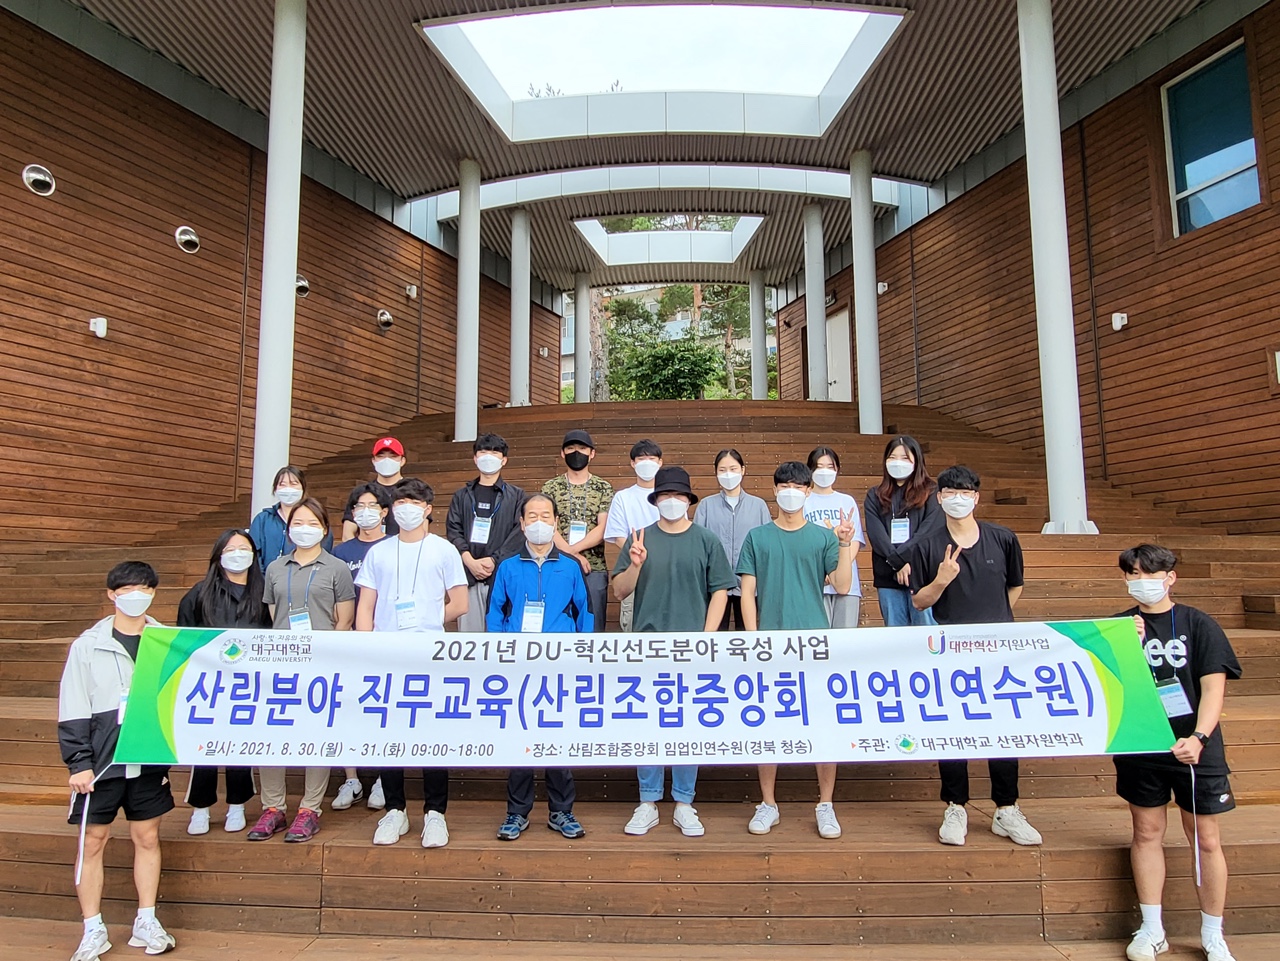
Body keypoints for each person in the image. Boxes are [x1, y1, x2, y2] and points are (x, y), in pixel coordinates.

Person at [1113, 544, 1241, 961]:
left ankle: (1213, 934)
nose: (1142, 581)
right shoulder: (1118, 627)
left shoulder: (1198, 624)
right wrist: (1127, 647)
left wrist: (1199, 737)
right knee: (1146, 832)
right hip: (1142, 746)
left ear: (1170, 578)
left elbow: (1213, 688)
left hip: (1194, 748)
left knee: (1205, 838)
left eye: (1150, 573)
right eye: (1133, 573)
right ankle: (1152, 929)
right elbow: (1111, 687)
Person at [907, 465, 1042, 848]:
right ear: (939, 498)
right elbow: (919, 601)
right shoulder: (927, 545)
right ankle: (955, 806)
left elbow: (1014, 586)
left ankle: (1007, 808)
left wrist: (994, 622)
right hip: (951, 650)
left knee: (1004, 727)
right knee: (953, 728)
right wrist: (942, 580)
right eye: (950, 493)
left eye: (965, 493)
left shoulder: (1003, 539)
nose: (958, 499)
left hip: (1000, 650)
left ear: (976, 498)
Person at [60, 560, 177, 960]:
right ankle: (93, 927)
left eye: (144, 589)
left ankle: (146, 919)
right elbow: (73, 704)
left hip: (147, 758)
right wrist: (79, 762)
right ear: (112, 595)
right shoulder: (87, 646)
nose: (135, 596)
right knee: (93, 840)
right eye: (126, 590)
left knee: (147, 837)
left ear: (154, 593)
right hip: (100, 762)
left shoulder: (166, 641)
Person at [613, 467, 736, 838]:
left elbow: (720, 590)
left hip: (691, 648)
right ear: (656, 501)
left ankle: (684, 802)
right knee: (648, 723)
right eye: (665, 496)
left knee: (688, 723)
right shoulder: (640, 538)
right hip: (647, 646)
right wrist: (635, 565)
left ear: (688, 501)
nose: (672, 502)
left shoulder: (706, 540)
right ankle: (647, 801)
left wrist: (707, 637)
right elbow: (619, 590)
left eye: (678, 496)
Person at [737, 461, 857, 840]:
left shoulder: (822, 538)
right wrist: (754, 638)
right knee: (767, 724)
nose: (790, 491)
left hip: (814, 644)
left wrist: (843, 544)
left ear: (807, 492)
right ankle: (767, 803)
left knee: (823, 724)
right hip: (770, 644)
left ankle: (826, 804)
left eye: (797, 486)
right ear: (775, 490)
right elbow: (748, 593)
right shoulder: (757, 537)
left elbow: (841, 585)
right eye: (784, 485)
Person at [356, 478, 468, 848]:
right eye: (401, 502)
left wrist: (428, 623)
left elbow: (460, 603)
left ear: (428, 509)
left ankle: (435, 813)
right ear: (392, 509)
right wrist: (368, 646)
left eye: (415, 503)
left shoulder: (444, 550)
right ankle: (395, 810)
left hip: (429, 654)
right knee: (390, 733)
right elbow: (366, 607)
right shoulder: (379, 553)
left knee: (432, 734)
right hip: (387, 655)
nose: (407, 509)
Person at [487, 493, 592, 841]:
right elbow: (495, 613)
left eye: (546, 516)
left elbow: (585, 612)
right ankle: (517, 812)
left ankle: (562, 811)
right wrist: (500, 652)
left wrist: (581, 654)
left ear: (556, 522)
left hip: (560, 663)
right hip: (519, 664)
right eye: (531, 516)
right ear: (521, 524)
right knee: (521, 739)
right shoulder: (507, 567)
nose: (538, 522)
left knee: (557, 738)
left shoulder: (570, 566)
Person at [251, 498, 356, 843]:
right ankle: (273, 806)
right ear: (288, 528)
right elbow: (274, 614)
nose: (304, 529)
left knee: (316, 733)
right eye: (298, 523)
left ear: (324, 530)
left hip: (323, 662)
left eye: (312, 523)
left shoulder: (336, 568)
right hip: (282, 662)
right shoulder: (275, 568)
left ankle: (310, 808)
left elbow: (345, 620)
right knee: (272, 732)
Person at [176, 529, 270, 836]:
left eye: (244, 549)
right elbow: (183, 638)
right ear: (218, 556)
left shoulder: (264, 593)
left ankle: (237, 805)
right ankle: (200, 808)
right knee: (204, 746)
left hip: (249, 684)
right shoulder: (199, 593)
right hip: (209, 684)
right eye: (230, 549)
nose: (237, 555)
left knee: (239, 744)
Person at [331, 482, 393, 812]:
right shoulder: (341, 553)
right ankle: (351, 778)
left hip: (385, 641)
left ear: (385, 512)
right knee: (347, 708)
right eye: (359, 507)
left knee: (382, 707)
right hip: (350, 638)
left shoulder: (393, 547)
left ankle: (383, 777)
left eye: (372, 506)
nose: (365, 512)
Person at [446, 432, 526, 633]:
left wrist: (494, 560)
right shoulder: (462, 495)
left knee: (503, 637)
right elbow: (453, 529)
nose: (488, 457)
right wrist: (469, 560)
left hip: (502, 576)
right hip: (469, 576)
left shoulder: (517, 496)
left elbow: (518, 533)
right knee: (470, 639)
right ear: (475, 458)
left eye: (495, 452)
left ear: (504, 460)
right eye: (483, 452)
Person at [863, 435, 942, 626]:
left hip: (922, 574)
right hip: (888, 575)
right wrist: (897, 563)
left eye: (905, 458)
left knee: (926, 634)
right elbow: (877, 535)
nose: (898, 462)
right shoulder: (875, 495)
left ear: (917, 460)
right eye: (892, 457)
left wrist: (904, 560)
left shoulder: (932, 492)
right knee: (896, 634)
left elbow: (928, 531)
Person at [542, 429, 614, 632]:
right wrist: (572, 556)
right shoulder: (551, 487)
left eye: (582, 448)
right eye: (571, 448)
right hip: (556, 565)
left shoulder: (603, 487)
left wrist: (573, 552)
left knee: (593, 626)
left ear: (592, 453)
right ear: (562, 453)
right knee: (557, 625)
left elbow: (603, 527)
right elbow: (549, 526)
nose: (576, 453)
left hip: (594, 568)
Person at [693, 448, 772, 630]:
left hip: (749, 585)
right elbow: (698, 544)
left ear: (743, 470)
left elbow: (766, 543)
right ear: (716, 473)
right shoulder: (706, 505)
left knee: (747, 634)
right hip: (714, 585)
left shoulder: (758, 505)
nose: (728, 474)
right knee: (715, 635)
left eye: (733, 469)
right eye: (722, 470)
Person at [603, 439, 663, 631]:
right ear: (632, 463)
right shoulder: (623, 497)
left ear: (660, 462)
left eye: (652, 459)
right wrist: (638, 554)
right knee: (633, 626)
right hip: (632, 571)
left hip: (664, 571)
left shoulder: (668, 496)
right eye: (641, 459)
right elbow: (618, 535)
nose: (647, 463)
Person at [803, 446, 865, 628]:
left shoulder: (847, 501)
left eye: (830, 467)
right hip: (816, 582)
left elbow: (854, 541)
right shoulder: (804, 501)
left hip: (847, 586)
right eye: (819, 466)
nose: (825, 471)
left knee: (845, 638)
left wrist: (838, 570)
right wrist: (824, 572)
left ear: (837, 469)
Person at [249, 465, 332, 571]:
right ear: (275, 489)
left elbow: (325, 547)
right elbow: (254, 553)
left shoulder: (316, 517)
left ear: (303, 487)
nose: (288, 488)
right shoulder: (263, 519)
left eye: (293, 484)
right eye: (282, 484)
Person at [340, 436, 408, 541]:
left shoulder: (412, 491)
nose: (386, 460)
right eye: (381, 456)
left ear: (402, 461)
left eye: (393, 456)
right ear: (373, 461)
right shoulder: (363, 492)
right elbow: (348, 533)